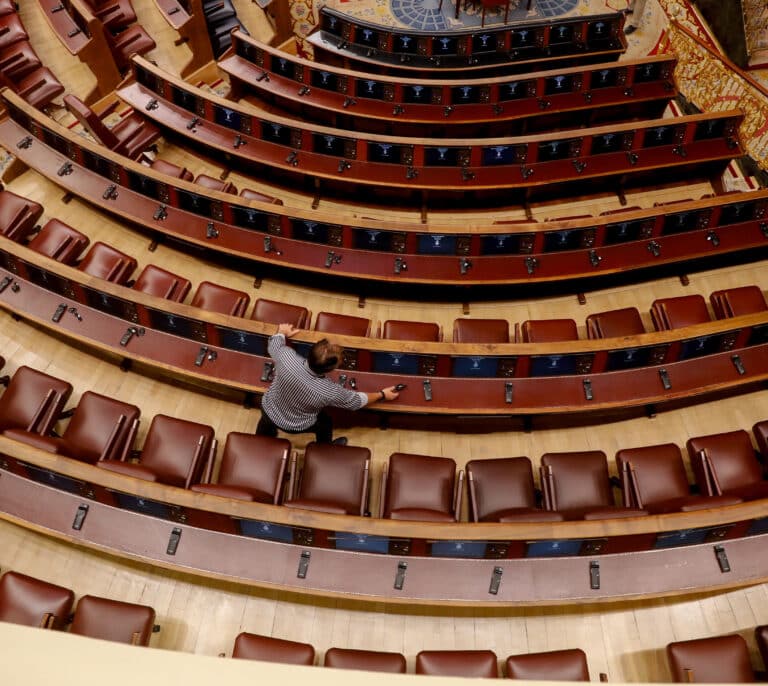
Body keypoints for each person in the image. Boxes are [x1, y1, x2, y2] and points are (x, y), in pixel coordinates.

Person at [256, 323, 400, 444]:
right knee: (325, 422)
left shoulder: (286, 357)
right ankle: (325, 448)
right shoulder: (329, 390)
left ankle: (260, 440)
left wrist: (282, 331)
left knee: (266, 422)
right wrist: (382, 394)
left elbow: (274, 344)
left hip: (269, 408)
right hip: (296, 425)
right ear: (331, 369)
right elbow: (357, 401)